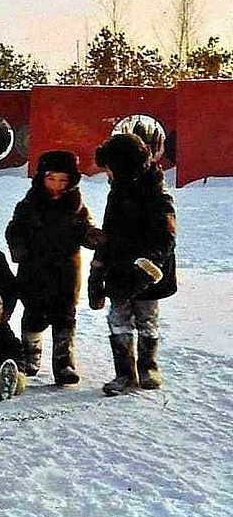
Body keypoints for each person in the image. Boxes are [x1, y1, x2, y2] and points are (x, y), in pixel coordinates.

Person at [88, 133, 177, 396]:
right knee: (118, 318)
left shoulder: (158, 196)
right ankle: (124, 373)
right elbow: (109, 232)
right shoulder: (117, 193)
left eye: (111, 170)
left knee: (147, 318)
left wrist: (144, 272)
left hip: (149, 271)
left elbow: (165, 238)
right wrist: (98, 269)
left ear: (126, 168)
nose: (108, 175)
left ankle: (148, 366)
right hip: (118, 268)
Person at [5, 150, 102, 385]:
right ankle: (30, 357)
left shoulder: (76, 207)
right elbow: (14, 230)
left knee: (65, 316)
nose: (57, 185)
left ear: (72, 182)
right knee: (34, 314)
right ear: (41, 178)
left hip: (67, 271)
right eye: (51, 179)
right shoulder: (28, 205)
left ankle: (64, 363)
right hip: (34, 269)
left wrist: (92, 237)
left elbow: (85, 230)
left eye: (63, 180)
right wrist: (20, 250)